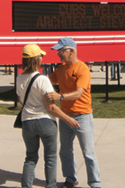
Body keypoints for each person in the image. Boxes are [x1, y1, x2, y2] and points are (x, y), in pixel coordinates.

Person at [17, 44, 80, 188]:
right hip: (45, 122)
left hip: (27, 122)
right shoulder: (42, 80)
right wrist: (68, 119)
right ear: (36, 60)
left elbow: (21, 100)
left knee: (30, 158)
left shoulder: (19, 78)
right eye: (41, 56)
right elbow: (51, 107)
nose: (42, 58)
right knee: (50, 158)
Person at [46, 37, 101, 188]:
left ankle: (95, 183)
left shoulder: (82, 68)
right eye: (58, 51)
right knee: (65, 151)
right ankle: (70, 179)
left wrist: (60, 96)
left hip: (82, 116)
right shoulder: (61, 69)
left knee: (88, 152)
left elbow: (78, 93)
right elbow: (48, 81)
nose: (58, 54)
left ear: (71, 51)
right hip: (64, 117)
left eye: (60, 51)